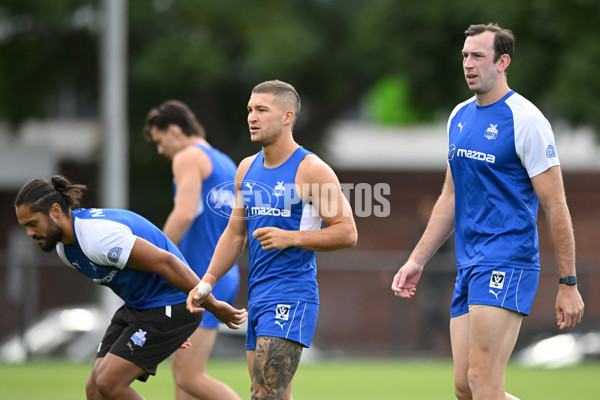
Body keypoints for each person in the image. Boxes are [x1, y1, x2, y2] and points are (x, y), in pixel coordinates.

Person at [392, 23, 585, 400]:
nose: (468, 63)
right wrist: (417, 259)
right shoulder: (459, 117)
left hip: (507, 260)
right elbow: (450, 196)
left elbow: (556, 204)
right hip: (468, 263)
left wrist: (569, 284)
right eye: (465, 55)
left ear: (502, 62)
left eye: (478, 55)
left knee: (483, 383)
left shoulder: (526, 120)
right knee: (465, 388)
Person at [187, 79, 358, 400]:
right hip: (259, 295)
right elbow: (235, 234)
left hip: (292, 294)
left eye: (262, 110)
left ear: (287, 117)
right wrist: (206, 282)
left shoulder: (311, 169)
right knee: (270, 394)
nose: (252, 117)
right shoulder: (246, 168)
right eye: (250, 110)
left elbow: (347, 232)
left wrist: (290, 238)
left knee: (265, 394)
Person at [14, 175, 247, 400]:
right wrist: (163, 337)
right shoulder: (65, 249)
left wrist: (212, 306)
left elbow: (167, 262)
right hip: (141, 307)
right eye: (25, 226)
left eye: (33, 224)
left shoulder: (96, 237)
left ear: (55, 211)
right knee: (95, 389)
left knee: (109, 383)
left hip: (170, 302)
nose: (30, 233)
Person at [144, 100, 241, 400]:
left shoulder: (187, 157)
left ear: (174, 131)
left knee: (188, 376)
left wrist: (151, 256)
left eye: (160, 141)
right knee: (183, 382)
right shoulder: (226, 162)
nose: (160, 150)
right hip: (223, 274)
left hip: (199, 277)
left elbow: (184, 214)